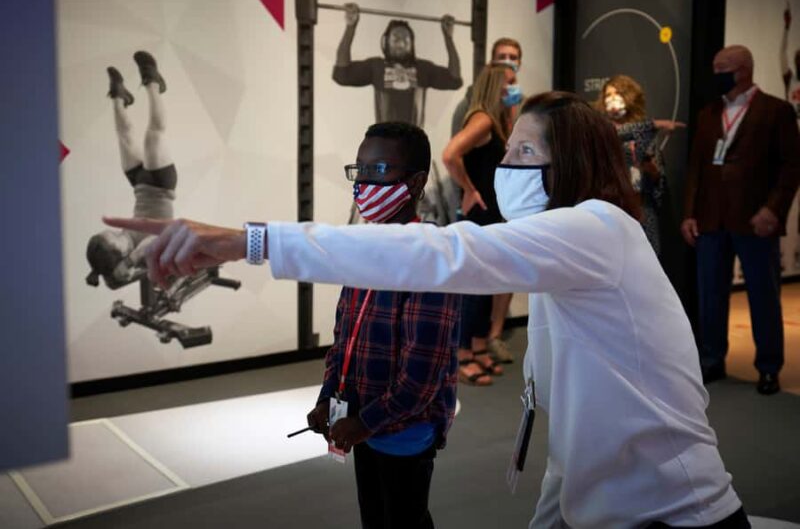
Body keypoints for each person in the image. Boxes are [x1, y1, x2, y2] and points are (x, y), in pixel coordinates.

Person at [108, 90, 749, 528]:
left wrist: (243, 241)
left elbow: (441, 254)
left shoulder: (597, 230)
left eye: (523, 153)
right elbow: (575, 441)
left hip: (674, 513)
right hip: (605, 511)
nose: (504, 166)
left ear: (572, 162)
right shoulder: (563, 257)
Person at [301, 122, 460, 529]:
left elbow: (423, 375)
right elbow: (344, 339)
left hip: (403, 431)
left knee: (405, 519)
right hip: (361, 422)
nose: (365, 183)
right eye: (361, 171)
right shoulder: (364, 248)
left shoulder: (429, 259)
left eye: (379, 170)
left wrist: (364, 422)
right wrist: (327, 397)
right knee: (374, 518)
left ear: (417, 181)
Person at [682, 45, 800, 395]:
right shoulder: (708, 113)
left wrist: (773, 210)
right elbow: (696, 169)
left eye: (723, 67)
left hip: (755, 220)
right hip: (711, 220)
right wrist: (690, 212)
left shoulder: (775, 111)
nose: (716, 73)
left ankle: (768, 366)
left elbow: (791, 168)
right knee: (711, 295)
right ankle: (712, 359)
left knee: (763, 295)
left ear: (744, 69)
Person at [442, 63, 519, 385]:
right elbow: (450, 155)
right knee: (473, 287)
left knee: (485, 284)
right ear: (496, 86)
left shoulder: (496, 120)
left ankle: (476, 347)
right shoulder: (483, 119)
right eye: (509, 84)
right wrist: (469, 189)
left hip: (491, 215)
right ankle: (461, 357)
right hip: (480, 214)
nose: (514, 89)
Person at [86, 51, 176, 289]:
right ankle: (154, 82)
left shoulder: (116, 252)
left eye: (111, 233)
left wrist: (112, 267)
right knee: (152, 137)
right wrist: (130, 262)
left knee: (124, 136)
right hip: (160, 187)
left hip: (140, 186)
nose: (119, 234)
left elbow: (109, 279)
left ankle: (118, 96)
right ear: (121, 254)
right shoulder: (141, 252)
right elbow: (157, 241)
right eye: (116, 239)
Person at [332, 3, 462, 128]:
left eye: (405, 38)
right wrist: (351, 27)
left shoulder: (422, 69)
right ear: (386, 42)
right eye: (395, 38)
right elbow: (343, 73)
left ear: (412, 44)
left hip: (414, 144)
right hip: (385, 144)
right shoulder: (377, 67)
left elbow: (454, 79)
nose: (400, 42)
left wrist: (448, 37)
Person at [597, 74, 685, 257]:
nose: (612, 99)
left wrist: (651, 171)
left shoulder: (646, 136)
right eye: (608, 95)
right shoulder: (601, 131)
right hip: (612, 210)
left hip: (643, 209)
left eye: (618, 93)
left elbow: (658, 180)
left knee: (646, 264)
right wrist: (654, 124)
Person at [782, 2, 800, 119]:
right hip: (792, 127)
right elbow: (782, 53)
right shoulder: (790, 79)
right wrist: (786, 28)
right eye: (798, 58)